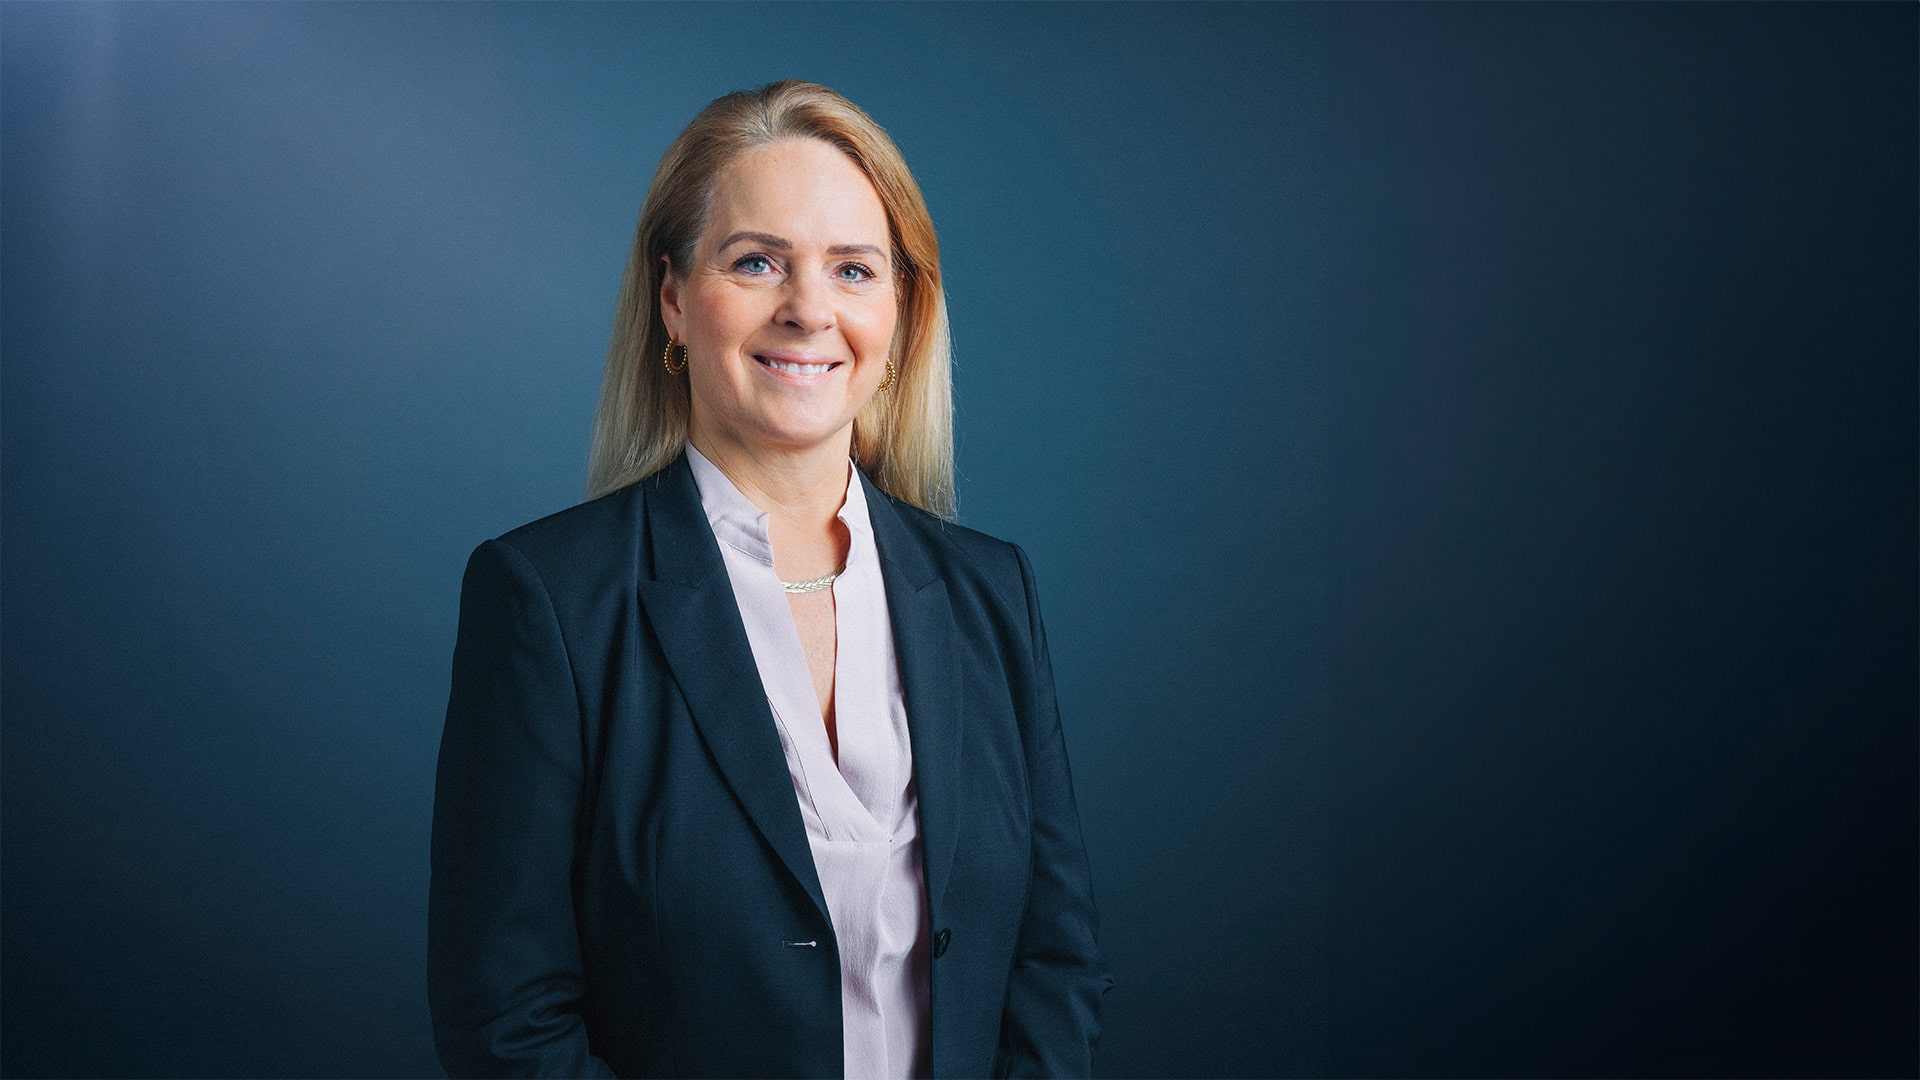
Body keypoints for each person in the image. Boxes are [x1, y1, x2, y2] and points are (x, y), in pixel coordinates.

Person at [428, 80, 1112, 1079]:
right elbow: (507, 1021)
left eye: (852, 269)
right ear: (672, 298)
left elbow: (1057, 964)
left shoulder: (989, 593)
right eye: (757, 262)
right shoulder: (547, 601)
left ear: (900, 313)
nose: (808, 310)